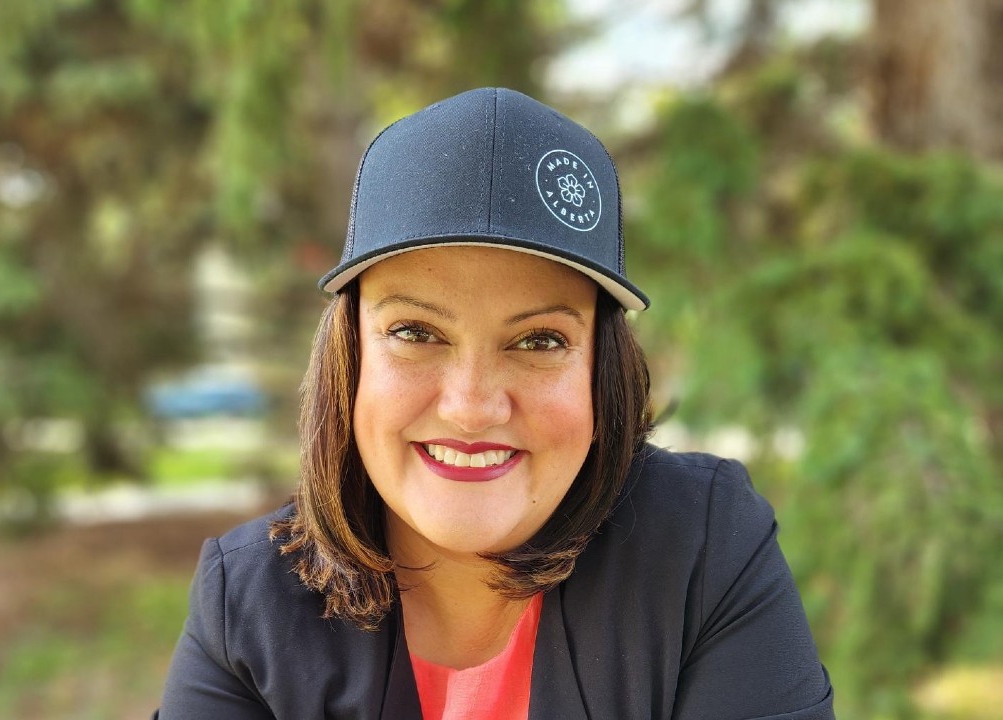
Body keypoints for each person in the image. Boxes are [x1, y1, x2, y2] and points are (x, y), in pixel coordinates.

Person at [155, 87, 835, 719]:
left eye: (538, 340)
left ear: (602, 369)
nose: (472, 407)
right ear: (349, 355)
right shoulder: (246, 608)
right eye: (416, 333)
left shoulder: (702, 549)